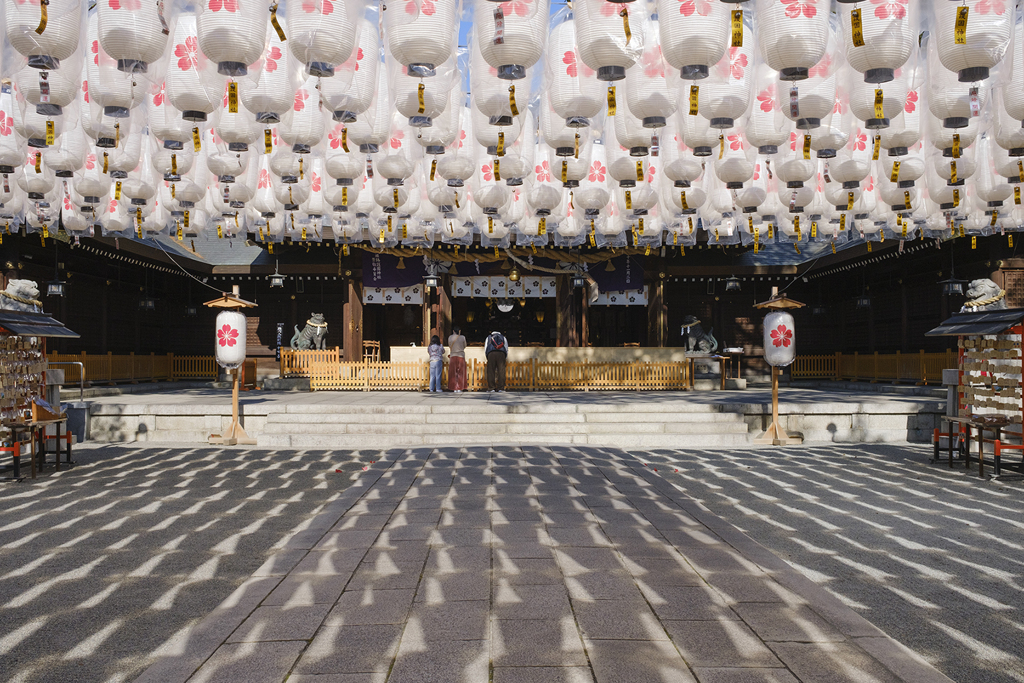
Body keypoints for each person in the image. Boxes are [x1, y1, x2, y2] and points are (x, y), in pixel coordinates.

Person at [447, 326, 467, 393]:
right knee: (461, 372)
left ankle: (454, 387)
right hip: (461, 355)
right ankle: (460, 387)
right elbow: (465, 345)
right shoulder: (463, 337)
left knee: (453, 372)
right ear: (459, 331)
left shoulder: (450, 337)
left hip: (453, 355)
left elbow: (450, 345)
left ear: (453, 331)